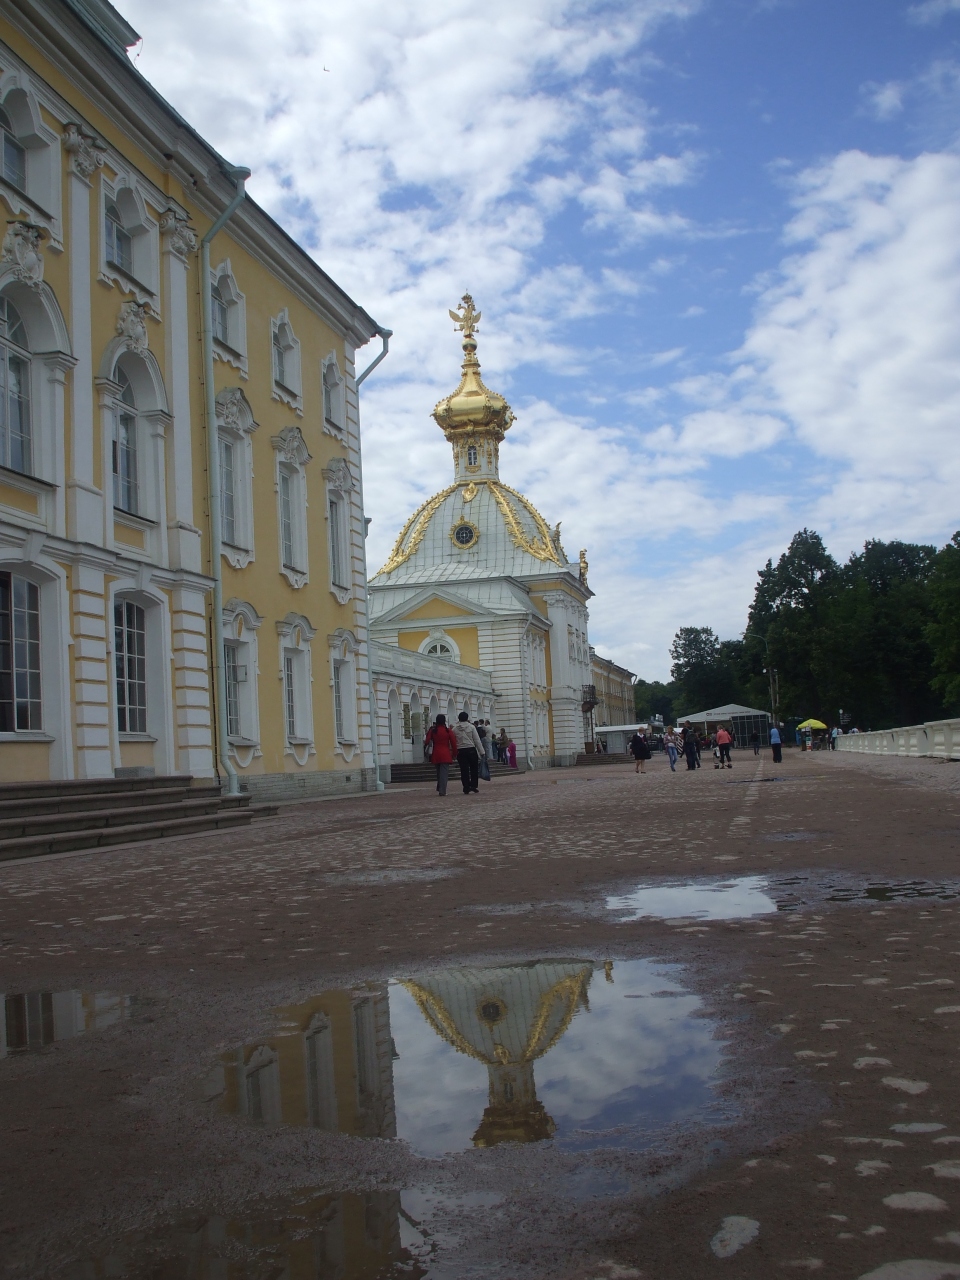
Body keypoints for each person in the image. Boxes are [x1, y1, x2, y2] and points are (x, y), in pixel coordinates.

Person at [424, 714, 459, 797]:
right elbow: (453, 743)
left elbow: (427, 741)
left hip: (436, 753)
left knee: (439, 773)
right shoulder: (448, 730)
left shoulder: (433, 730)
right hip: (445, 753)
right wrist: (455, 754)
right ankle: (442, 790)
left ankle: (440, 787)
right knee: (444, 773)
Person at [453, 711, 484, 794]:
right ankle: (473, 785)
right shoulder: (471, 727)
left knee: (464, 770)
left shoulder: (455, 729)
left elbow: (453, 741)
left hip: (460, 750)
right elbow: (477, 740)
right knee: (474, 768)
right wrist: (482, 752)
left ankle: (466, 787)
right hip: (471, 749)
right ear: (467, 718)